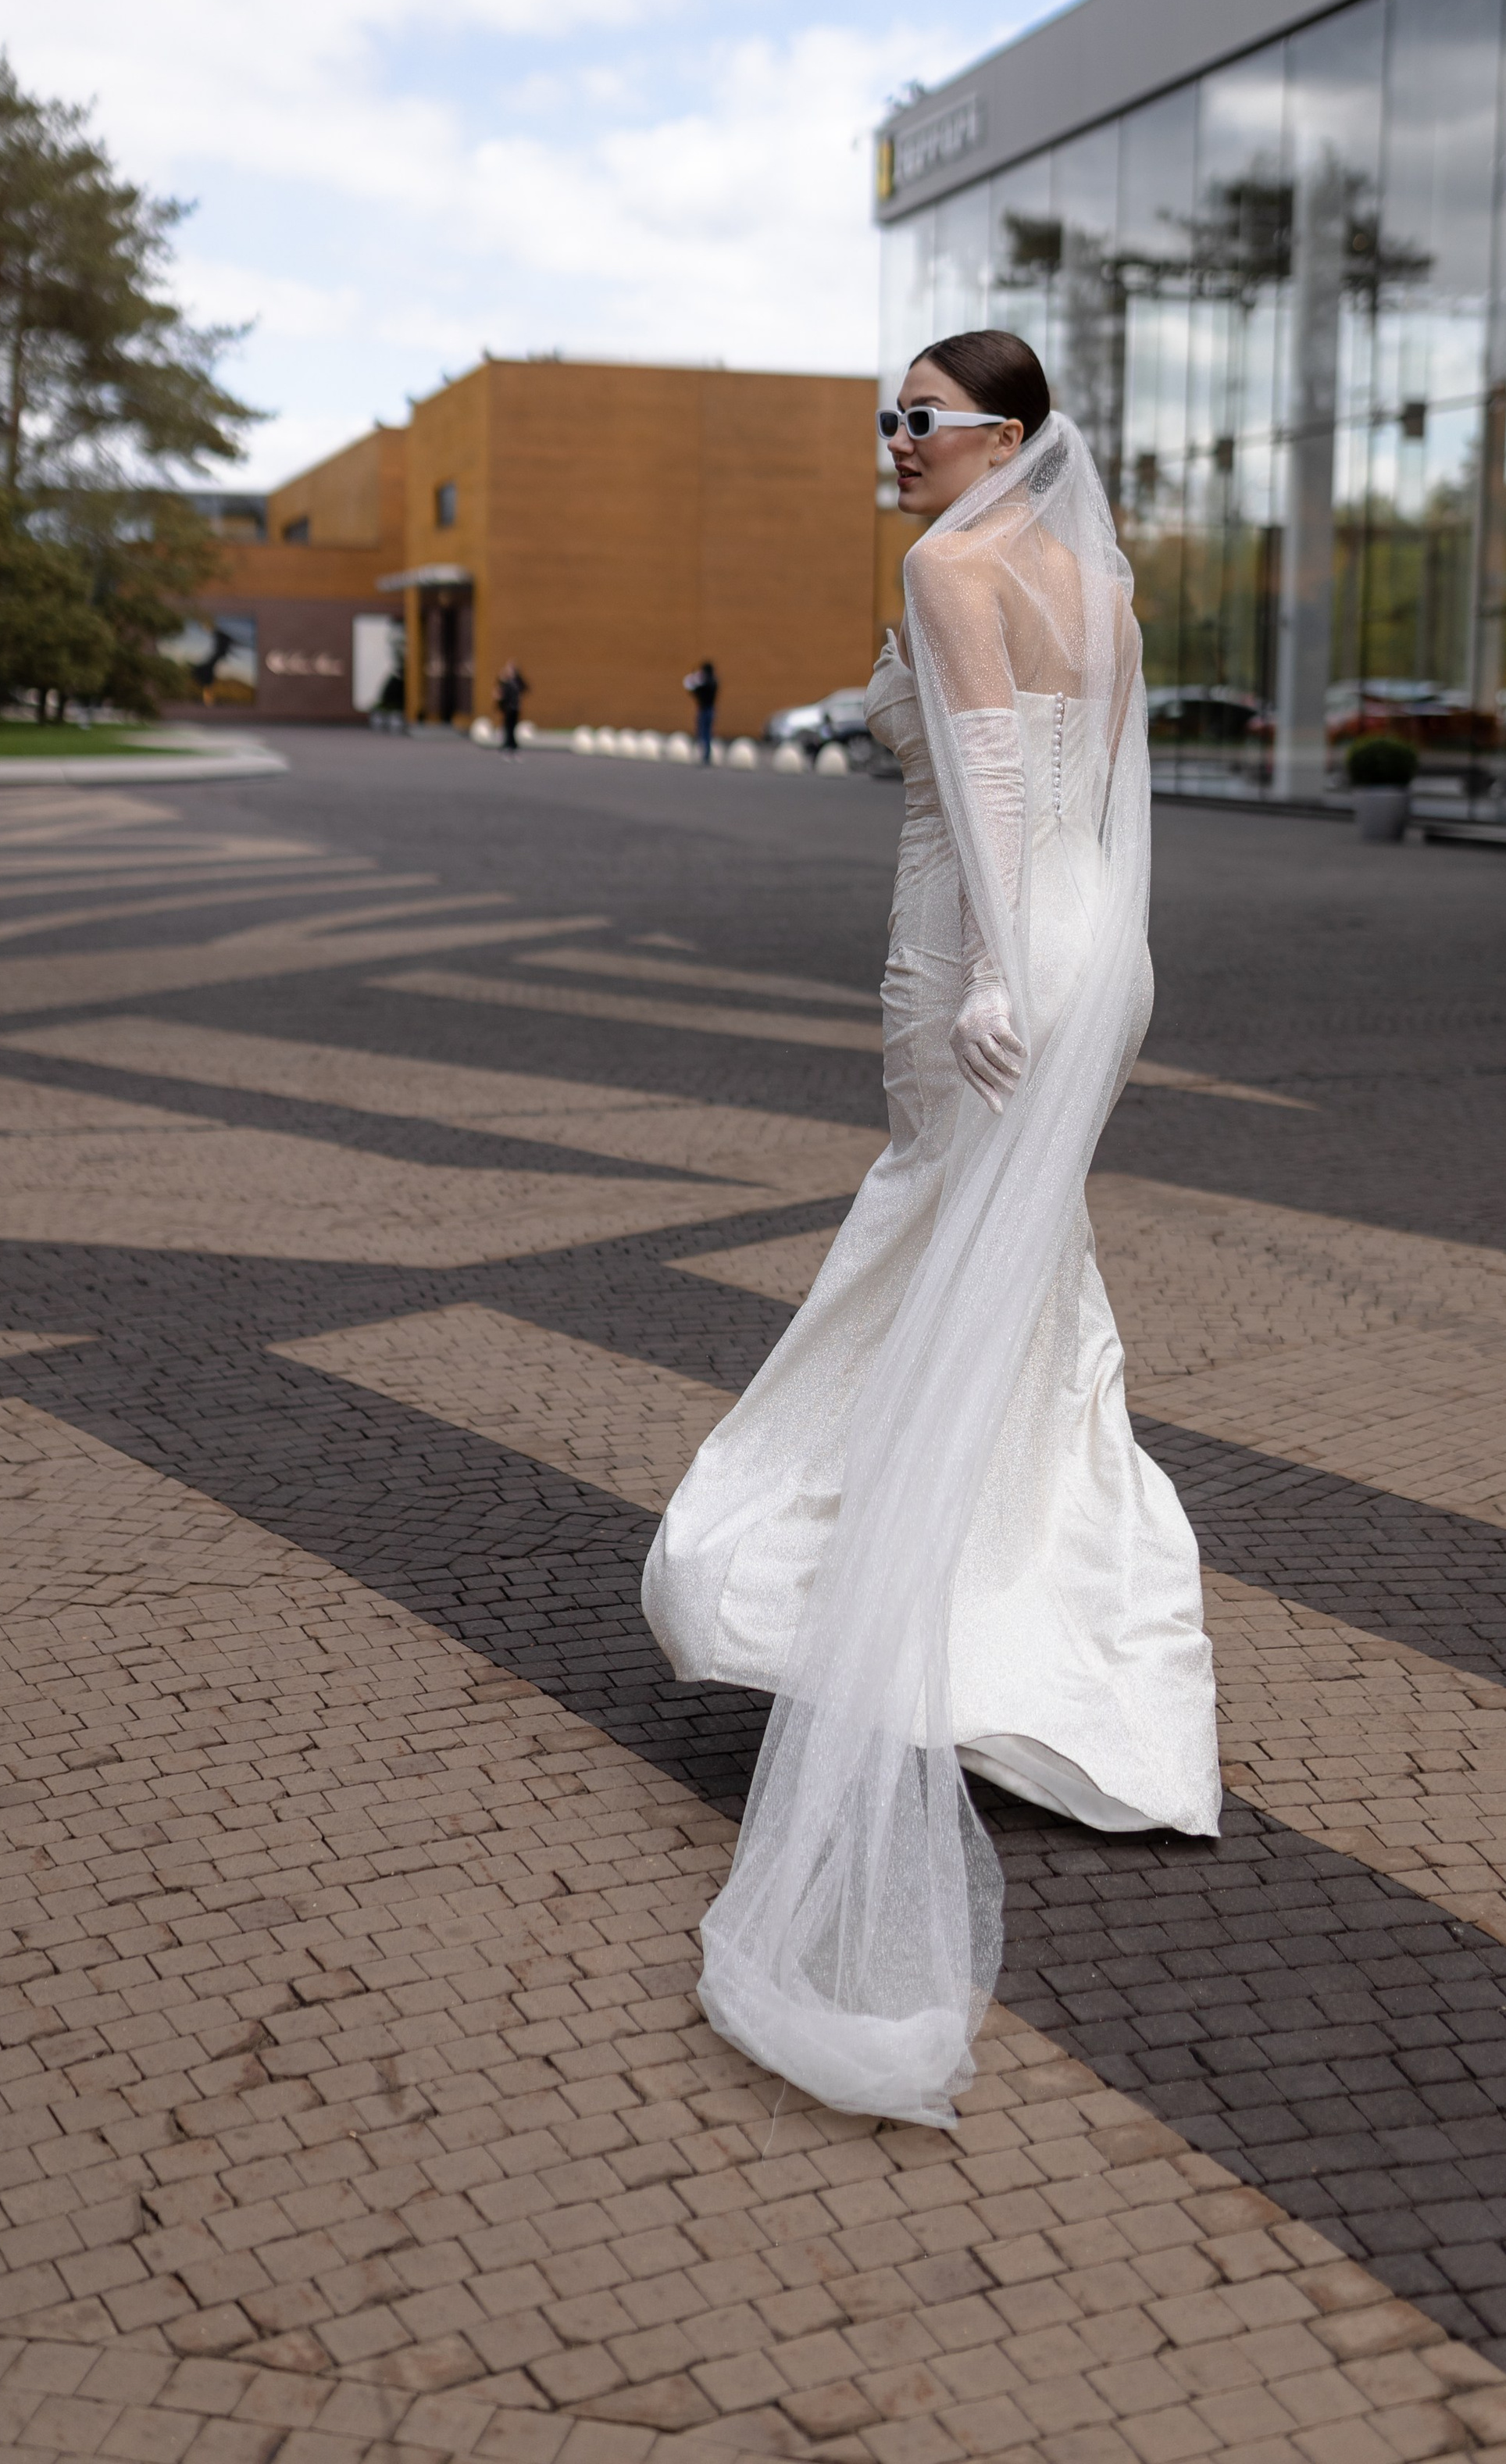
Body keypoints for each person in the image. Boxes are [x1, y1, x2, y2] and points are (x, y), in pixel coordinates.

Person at [643, 329, 1219, 2127]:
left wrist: (984, 970)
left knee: (923, 1266)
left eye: (918, 419)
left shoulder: (948, 564)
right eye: (882, 419)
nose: (888, 444)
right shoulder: (1093, 587)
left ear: (1003, 437)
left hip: (977, 973)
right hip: (1091, 960)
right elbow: (1098, 801)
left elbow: (983, 789)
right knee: (1013, 1290)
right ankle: (1052, 1638)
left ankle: (824, 1591)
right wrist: (1079, 971)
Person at [684, 659, 719, 763]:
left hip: (705, 709)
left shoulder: (706, 683)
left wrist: (695, 681)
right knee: (707, 733)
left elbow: (696, 691)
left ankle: (705, 754)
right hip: (711, 709)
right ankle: (706, 754)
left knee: (703, 733)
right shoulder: (714, 682)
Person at [494, 659, 528, 753]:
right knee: (507, 726)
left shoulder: (517, 682)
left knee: (512, 726)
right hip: (508, 707)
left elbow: (525, 688)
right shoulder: (506, 682)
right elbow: (500, 691)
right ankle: (508, 743)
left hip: (515, 707)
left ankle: (512, 744)